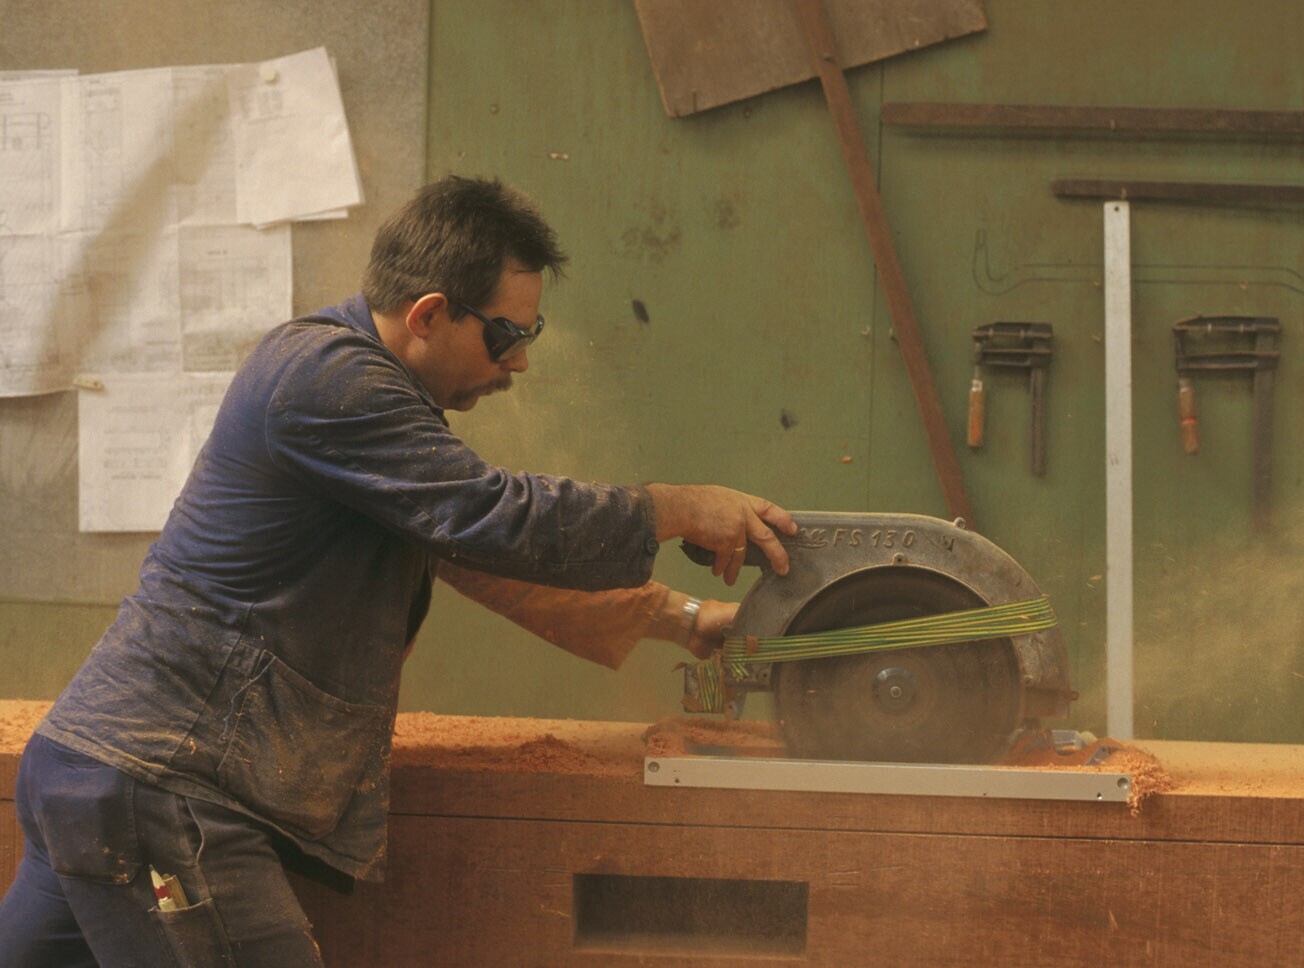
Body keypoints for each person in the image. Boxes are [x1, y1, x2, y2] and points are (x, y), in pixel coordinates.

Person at [0, 176, 797, 966]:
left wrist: (688, 620)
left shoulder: (374, 406)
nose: (519, 362)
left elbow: (484, 557)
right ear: (428, 314)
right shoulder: (329, 377)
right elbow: (496, 516)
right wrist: (676, 507)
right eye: (506, 336)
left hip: (105, 777)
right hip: (164, 788)